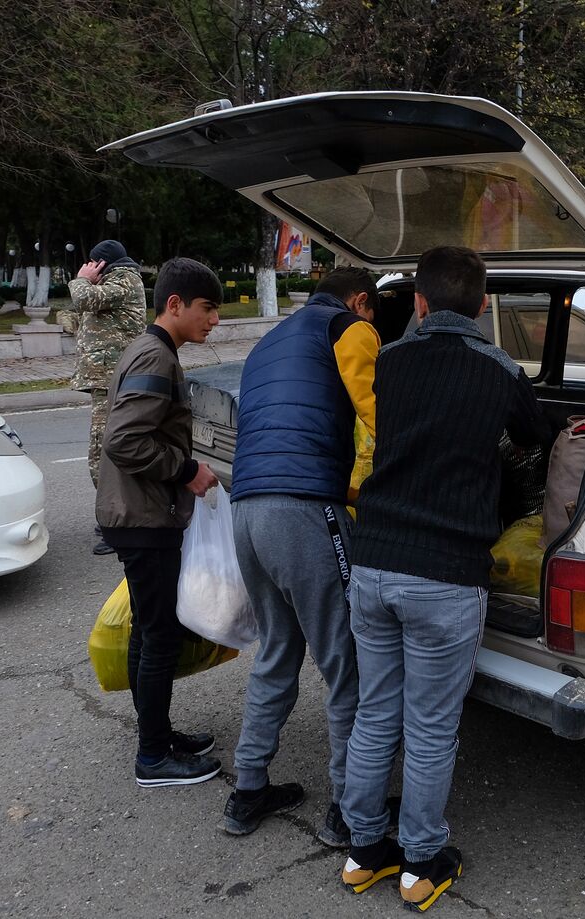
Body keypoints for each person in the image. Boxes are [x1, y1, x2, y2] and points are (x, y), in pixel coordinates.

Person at [339, 246, 549, 910]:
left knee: (377, 710)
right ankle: (423, 862)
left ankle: (364, 851)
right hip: (446, 574)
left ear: (421, 303)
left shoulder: (391, 360)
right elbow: (537, 433)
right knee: (430, 725)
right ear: (484, 306)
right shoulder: (499, 368)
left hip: (372, 563)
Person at [221, 267, 385, 840]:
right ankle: (346, 808)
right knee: (346, 661)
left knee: (277, 650)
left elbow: (281, 429)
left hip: (247, 510)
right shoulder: (348, 327)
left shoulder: (269, 340)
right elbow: (378, 411)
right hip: (305, 514)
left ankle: (247, 790)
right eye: (373, 315)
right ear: (361, 300)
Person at [97, 257, 223, 788]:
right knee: (159, 635)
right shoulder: (155, 355)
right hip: (144, 516)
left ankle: (158, 733)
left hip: (138, 513)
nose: (213, 321)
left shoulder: (150, 349)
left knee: (152, 634)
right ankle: (153, 757)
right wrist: (188, 469)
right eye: (207, 308)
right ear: (175, 305)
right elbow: (124, 440)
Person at [63, 239, 148, 556]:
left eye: (91, 263)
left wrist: (82, 279)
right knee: (107, 453)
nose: (86, 268)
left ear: (100, 264)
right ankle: (118, 518)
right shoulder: (112, 284)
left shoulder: (124, 280)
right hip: (105, 382)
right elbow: (77, 311)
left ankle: (121, 523)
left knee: (104, 455)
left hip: (116, 382)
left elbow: (83, 296)